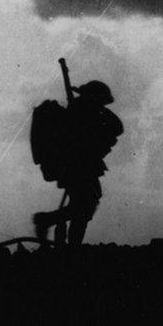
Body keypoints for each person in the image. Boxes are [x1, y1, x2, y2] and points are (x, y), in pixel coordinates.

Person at [33, 80, 123, 246]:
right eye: (100, 101)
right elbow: (115, 127)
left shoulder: (84, 111)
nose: (103, 105)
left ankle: (57, 229)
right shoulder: (80, 112)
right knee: (85, 206)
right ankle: (47, 221)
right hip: (77, 167)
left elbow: (116, 127)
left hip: (81, 166)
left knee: (84, 207)